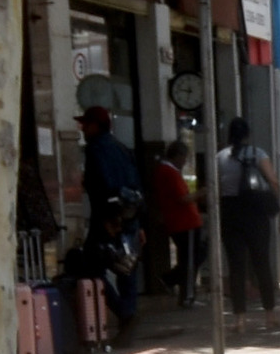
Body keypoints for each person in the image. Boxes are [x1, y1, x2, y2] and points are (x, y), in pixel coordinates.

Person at [70, 106, 142, 331]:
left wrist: (108, 220)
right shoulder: (121, 148)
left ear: (95, 125)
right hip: (130, 216)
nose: (82, 127)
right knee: (127, 268)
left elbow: (100, 187)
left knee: (91, 265)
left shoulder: (95, 150)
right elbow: (136, 184)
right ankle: (128, 313)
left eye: (86, 124)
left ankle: (124, 313)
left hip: (107, 219)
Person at [218, 117, 280, 315]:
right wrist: (272, 202)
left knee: (236, 266)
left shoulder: (220, 157)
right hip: (256, 213)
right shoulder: (258, 153)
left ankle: (239, 318)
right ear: (247, 135)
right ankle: (269, 313)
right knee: (261, 262)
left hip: (230, 212)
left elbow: (216, 187)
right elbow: (273, 182)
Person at [149, 141, 204, 306]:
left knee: (191, 257)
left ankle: (175, 283)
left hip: (181, 222)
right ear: (178, 156)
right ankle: (185, 294)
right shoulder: (169, 172)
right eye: (184, 158)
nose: (184, 162)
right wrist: (201, 193)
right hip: (185, 222)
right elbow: (182, 198)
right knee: (191, 259)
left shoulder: (164, 171)